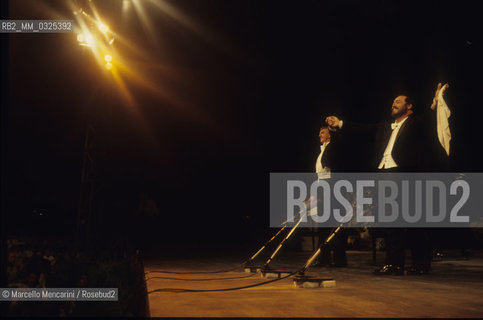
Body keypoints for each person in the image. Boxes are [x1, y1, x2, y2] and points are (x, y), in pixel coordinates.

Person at [325, 83, 451, 275]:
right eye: (393, 101)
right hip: (385, 174)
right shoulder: (385, 126)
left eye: (398, 101)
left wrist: (436, 101)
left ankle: (421, 264)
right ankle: (394, 264)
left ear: (409, 106)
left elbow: (432, 120)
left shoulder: (415, 123)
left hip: (406, 174)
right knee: (391, 222)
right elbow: (364, 129)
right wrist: (340, 123)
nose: (393, 104)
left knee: (414, 222)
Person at [312, 125, 348, 267]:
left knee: (334, 225)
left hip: (334, 189)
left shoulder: (334, 147)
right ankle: (324, 257)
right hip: (324, 187)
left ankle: (339, 259)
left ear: (330, 135)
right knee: (323, 226)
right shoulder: (322, 150)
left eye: (322, 132)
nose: (319, 135)